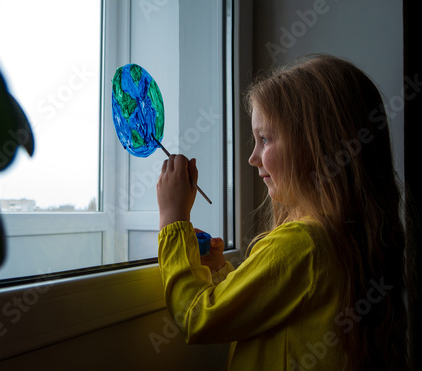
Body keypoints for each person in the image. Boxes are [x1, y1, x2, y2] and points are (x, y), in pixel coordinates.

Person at [156, 54, 408, 370]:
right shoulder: (347, 236)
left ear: (317, 146)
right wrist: (219, 269)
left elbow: (197, 317)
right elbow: (275, 306)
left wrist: (173, 219)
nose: (252, 158)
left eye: (265, 139)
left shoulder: (301, 244)